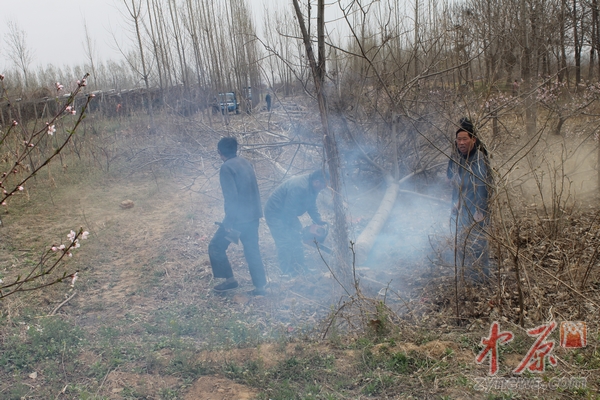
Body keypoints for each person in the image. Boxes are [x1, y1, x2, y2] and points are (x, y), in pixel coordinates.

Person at [208, 137, 267, 295]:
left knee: (216, 246)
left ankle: (230, 281)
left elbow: (231, 197)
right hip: (253, 217)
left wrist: (229, 222)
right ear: (236, 149)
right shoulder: (245, 162)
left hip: (238, 222)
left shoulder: (226, 167)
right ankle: (260, 287)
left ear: (220, 152)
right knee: (252, 250)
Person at [446, 118, 492, 283]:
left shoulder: (480, 158)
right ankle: (464, 275)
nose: (461, 143)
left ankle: (483, 277)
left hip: (477, 208)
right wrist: (455, 202)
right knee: (460, 241)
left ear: (473, 139)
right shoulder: (457, 155)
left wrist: (481, 210)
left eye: (465, 139)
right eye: (459, 140)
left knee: (479, 243)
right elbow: (451, 177)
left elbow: (486, 186)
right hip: (460, 206)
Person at [264, 170, 329, 276]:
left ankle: (300, 268)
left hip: (286, 212)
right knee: (284, 241)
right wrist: (298, 228)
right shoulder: (299, 187)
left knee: (296, 239)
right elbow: (289, 210)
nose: (323, 188)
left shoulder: (313, 187)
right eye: (323, 185)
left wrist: (318, 219)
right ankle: (286, 272)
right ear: (317, 182)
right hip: (275, 212)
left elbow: (312, 205)